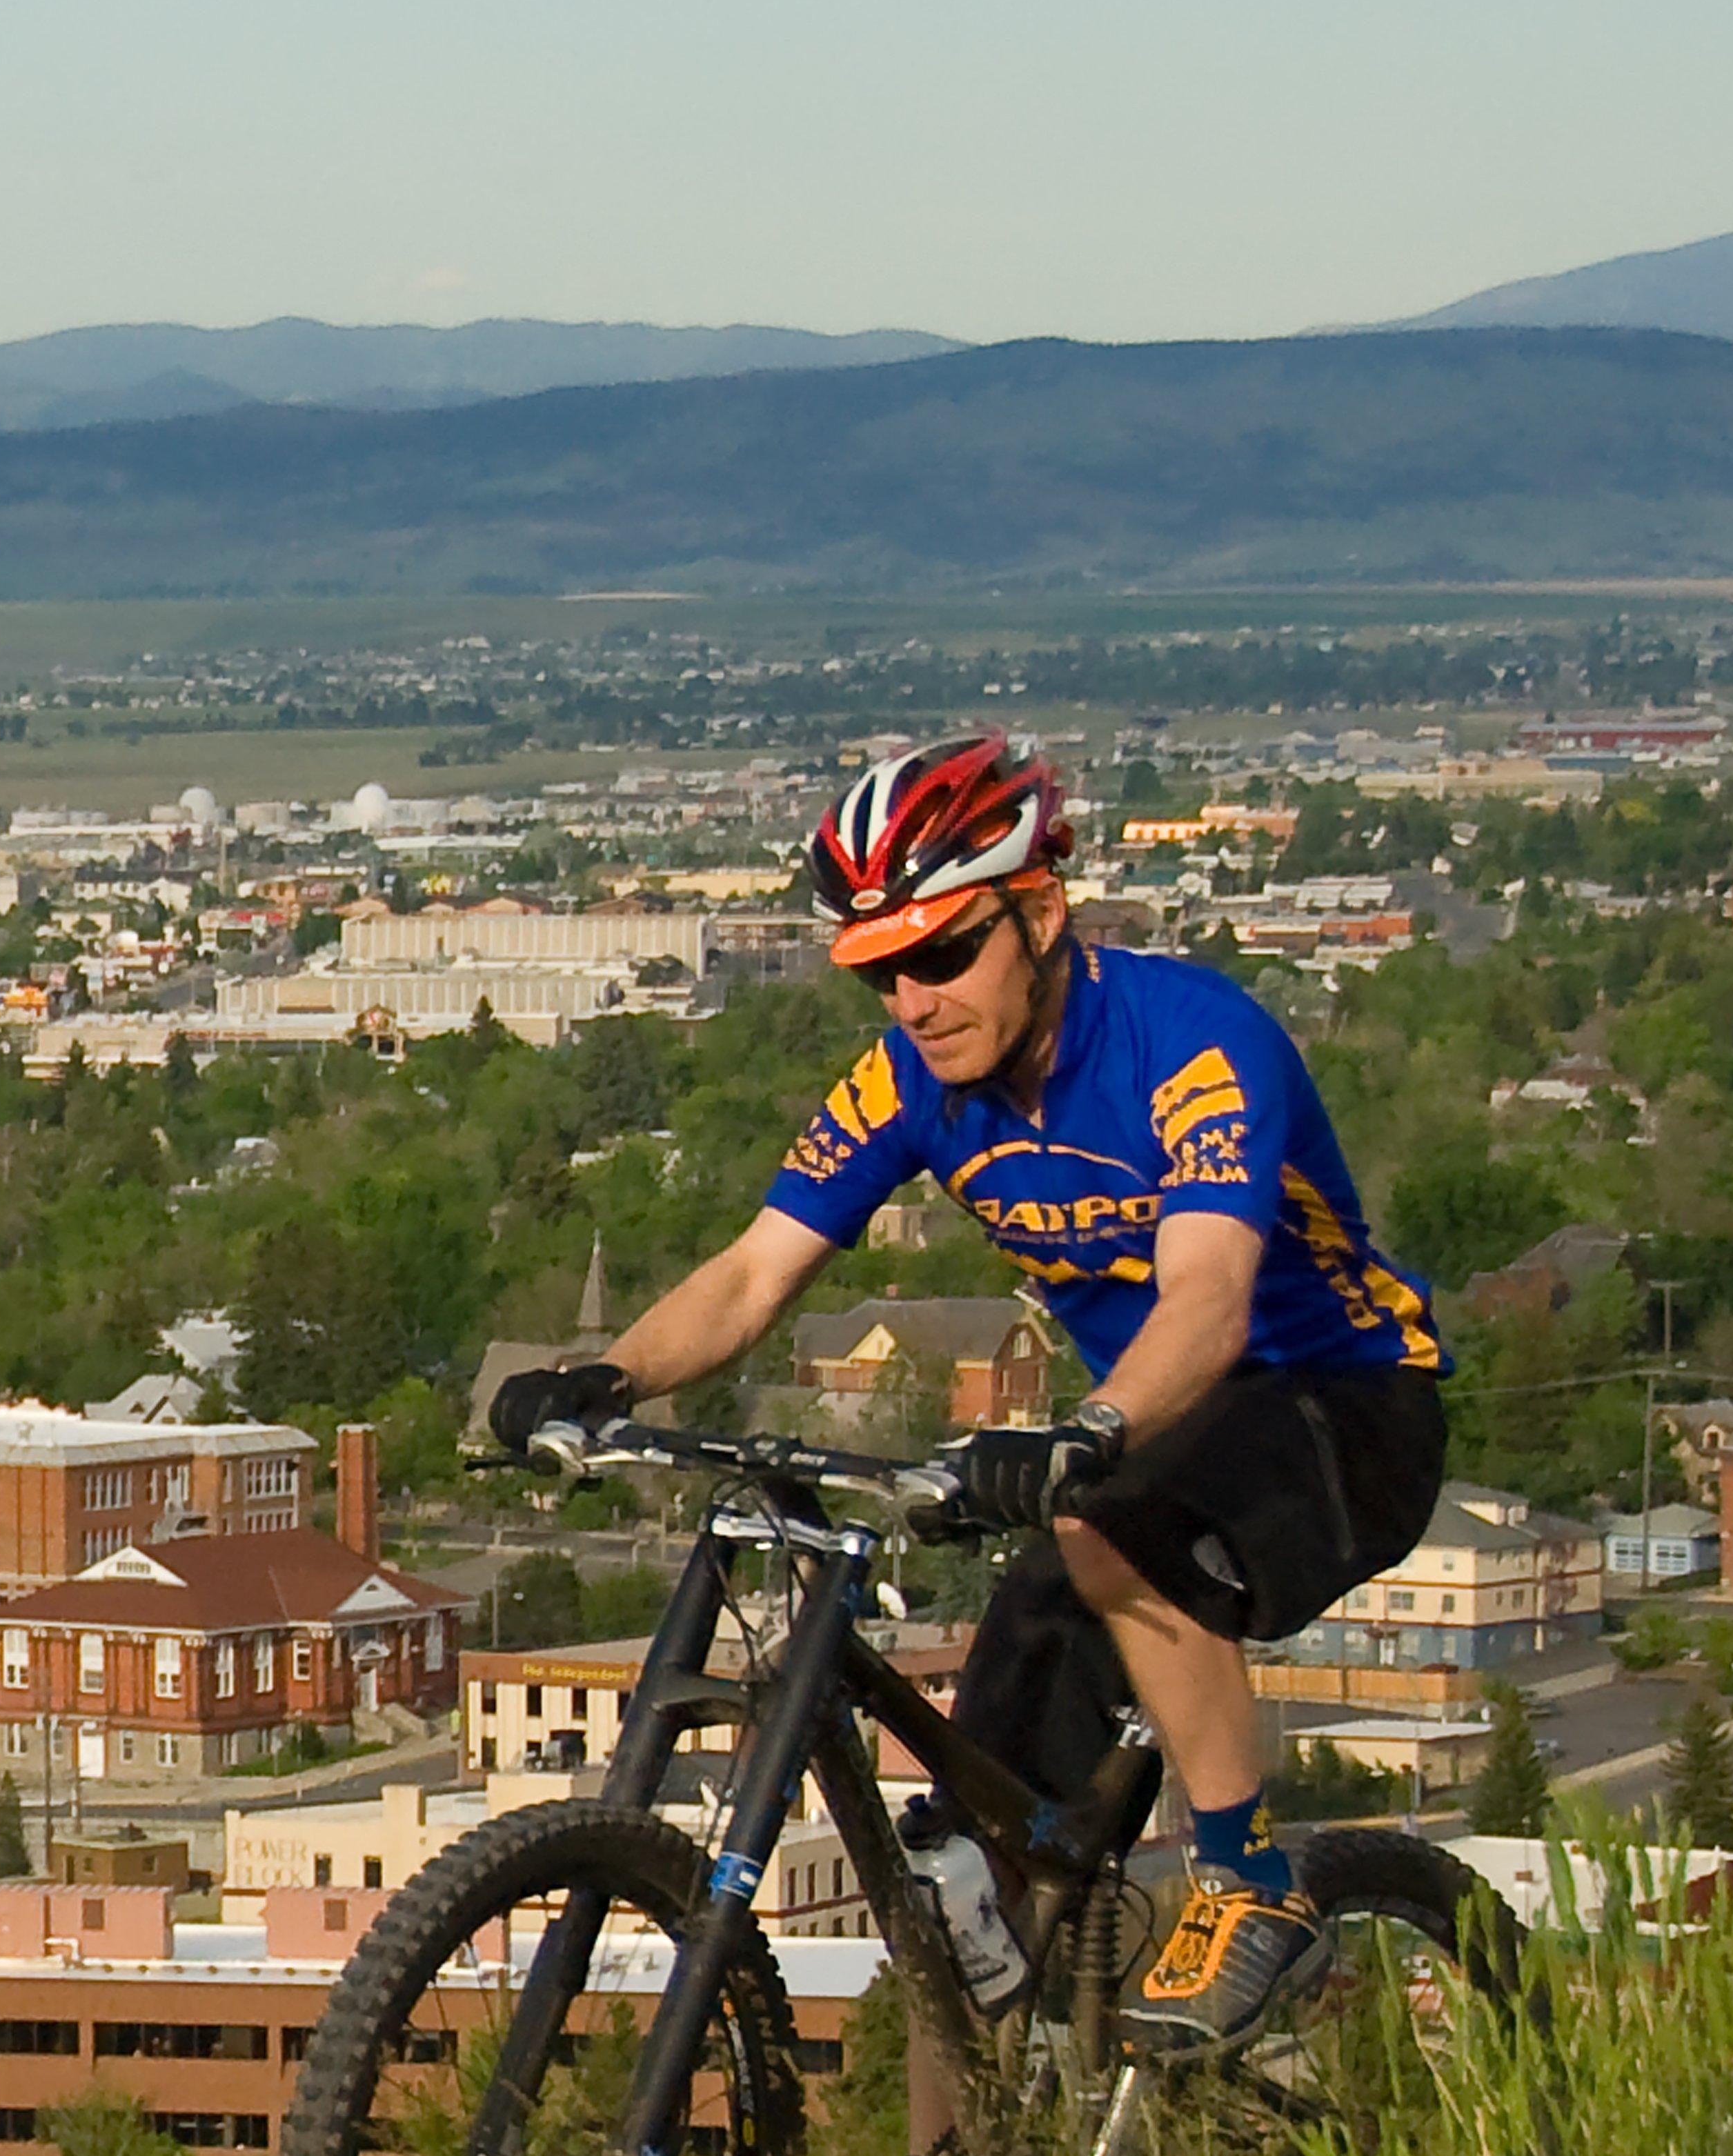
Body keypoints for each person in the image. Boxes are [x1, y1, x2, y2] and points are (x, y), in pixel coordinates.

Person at [486, 735, 1445, 2057]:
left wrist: (1089, 1432)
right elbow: (756, 1271)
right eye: (881, 971)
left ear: (1040, 912)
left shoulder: (1194, 1044)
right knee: (958, 1868)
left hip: (1342, 1403)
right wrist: (605, 1375)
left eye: (941, 956)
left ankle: (1253, 1886)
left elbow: (1211, 1303)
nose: (914, 1000)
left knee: (1110, 1526)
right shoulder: (912, 1084)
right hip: (1137, 1448)